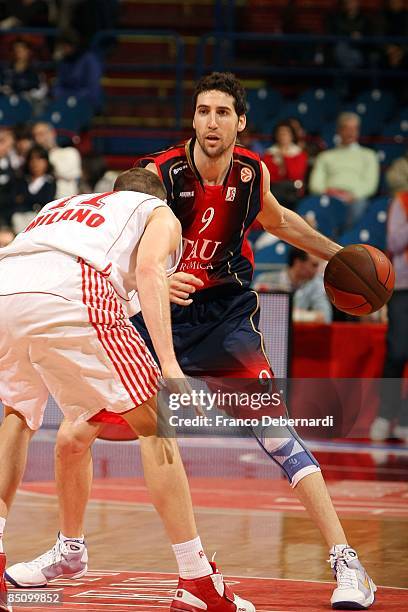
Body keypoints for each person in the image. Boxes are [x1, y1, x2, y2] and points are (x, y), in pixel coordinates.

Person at [8, 73, 377, 611]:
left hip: (224, 318)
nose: (210, 121)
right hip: (158, 318)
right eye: (203, 111)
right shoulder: (158, 174)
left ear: (240, 122)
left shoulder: (252, 172)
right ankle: (70, 551)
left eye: (222, 113)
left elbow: (278, 221)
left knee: (276, 435)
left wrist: (337, 253)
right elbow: (127, 249)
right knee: (71, 436)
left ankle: (348, 562)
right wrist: (153, 275)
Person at [0, 167, 254, 612]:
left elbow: (122, 273)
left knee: (19, 417)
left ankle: (59, 550)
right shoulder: (158, 211)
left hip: (8, 289)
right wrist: (170, 365)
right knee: (155, 421)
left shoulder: (63, 207)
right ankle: (196, 579)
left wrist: (141, 280)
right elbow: (151, 268)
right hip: (72, 290)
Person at [370, 191, 408, 443]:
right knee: (397, 350)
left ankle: (405, 419)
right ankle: (385, 414)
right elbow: (394, 241)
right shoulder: (402, 200)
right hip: (404, 287)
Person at [309, 112, 380, 226]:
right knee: (313, 206)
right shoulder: (325, 156)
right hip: (329, 196)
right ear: (339, 130)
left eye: (354, 129)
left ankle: (346, 241)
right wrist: (328, 192)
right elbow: (315, 184)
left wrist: (352, 196)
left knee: (359, 206)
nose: (350, 132)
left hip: (354, 199)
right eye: (346, 128)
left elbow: (370, 185)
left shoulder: (369, 155)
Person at [254, 247, 333, 323]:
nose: (317, 270)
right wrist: (306, 316)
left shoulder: (316, 285)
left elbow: (326, 317)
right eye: (314, 265)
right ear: (298, 263)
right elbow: (251, 313)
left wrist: (288, 315)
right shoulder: (264, 280)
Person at [262, 120, 308, 209]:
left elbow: (295, 175)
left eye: (286, 133)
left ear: (292, 136)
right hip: (274, 190)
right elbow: (269, 176)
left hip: (294, 191)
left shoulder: (299, 154)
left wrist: (284, 158)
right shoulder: (269, 154)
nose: (283, 136)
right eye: (280, 133)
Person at [12, 145, 56, 233]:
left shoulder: (49, 182)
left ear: (47, 162)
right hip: (20, 218)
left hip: (39, 221)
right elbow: (15, 200)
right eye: (32, 159)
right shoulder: (22, 181)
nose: (35, 163)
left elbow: (46, 201)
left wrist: (25, 199)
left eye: (39, 159)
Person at [32, 121, 82, 198]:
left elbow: (66, 172)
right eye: (35, 136)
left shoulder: (70, 152)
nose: (38, 139)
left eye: (41, 134)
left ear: (52, 133)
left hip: (65, 201)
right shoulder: (34, 157)